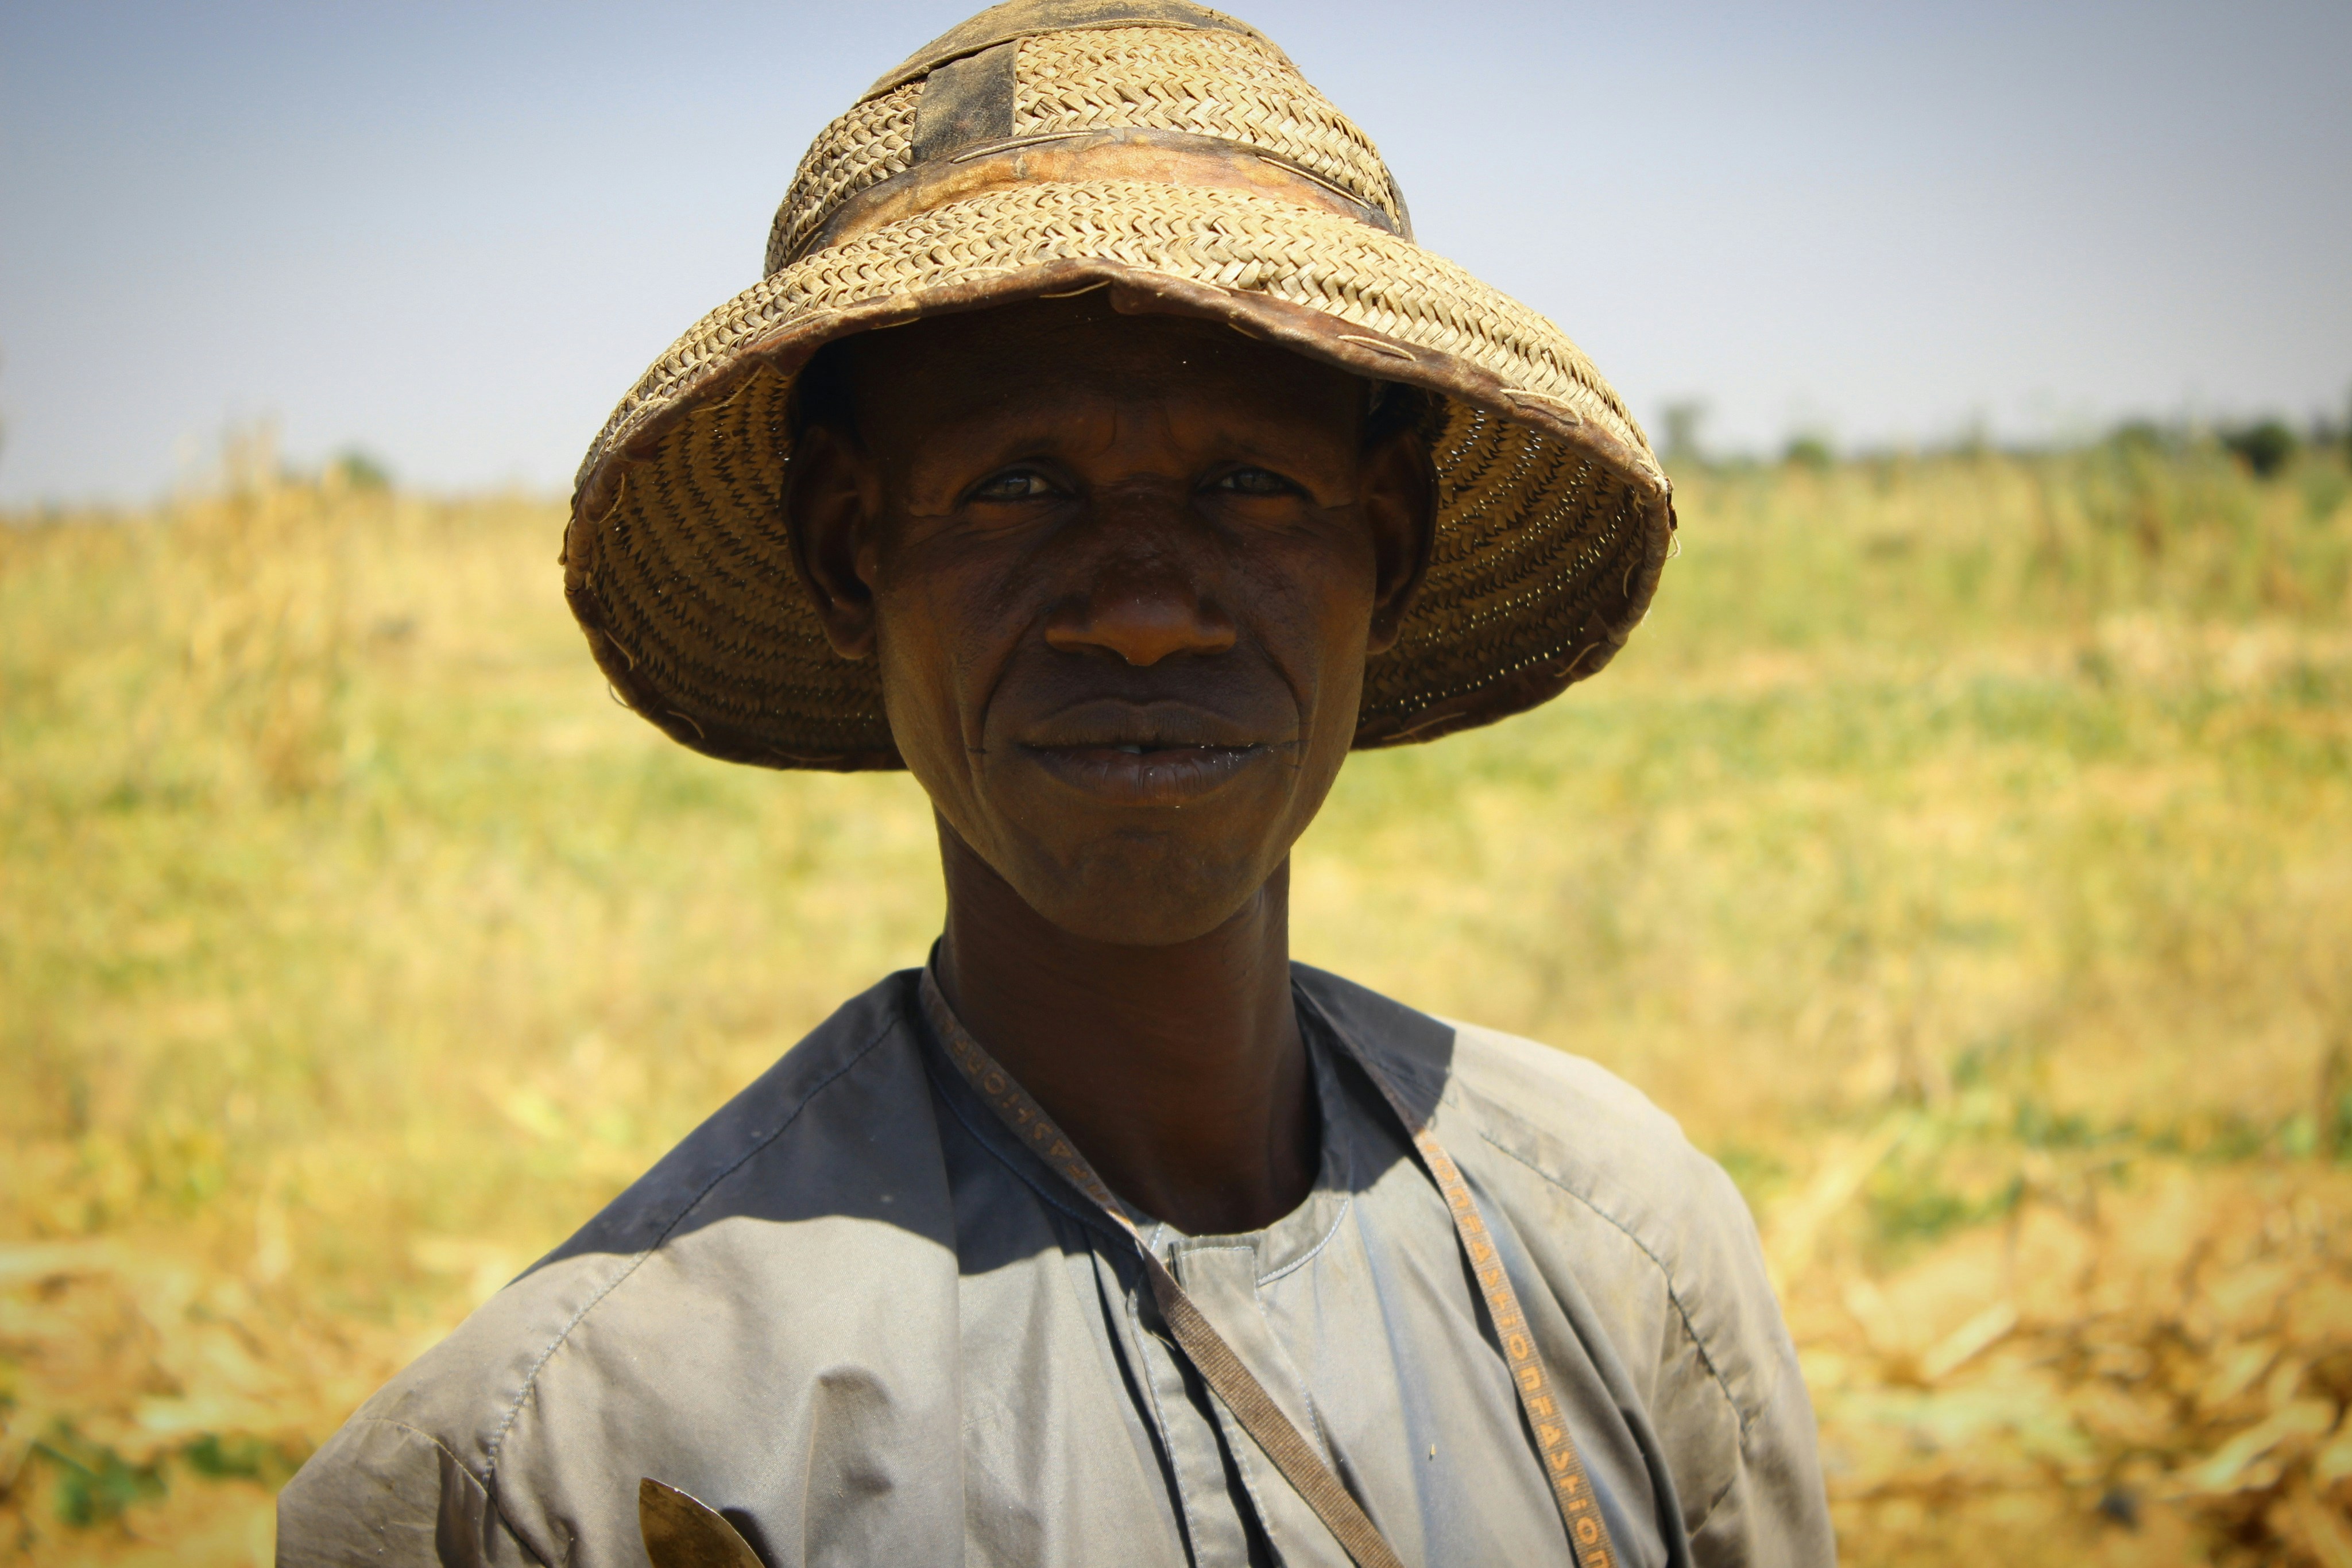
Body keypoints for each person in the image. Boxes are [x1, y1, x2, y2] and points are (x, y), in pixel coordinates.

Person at [278, 3, 1833, 1565]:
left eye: (1249, 484)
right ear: (848, 552)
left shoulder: (1623, 1254)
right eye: (1020, 487)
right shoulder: (596, 1445)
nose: (1146, 608)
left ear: (1390, 543)